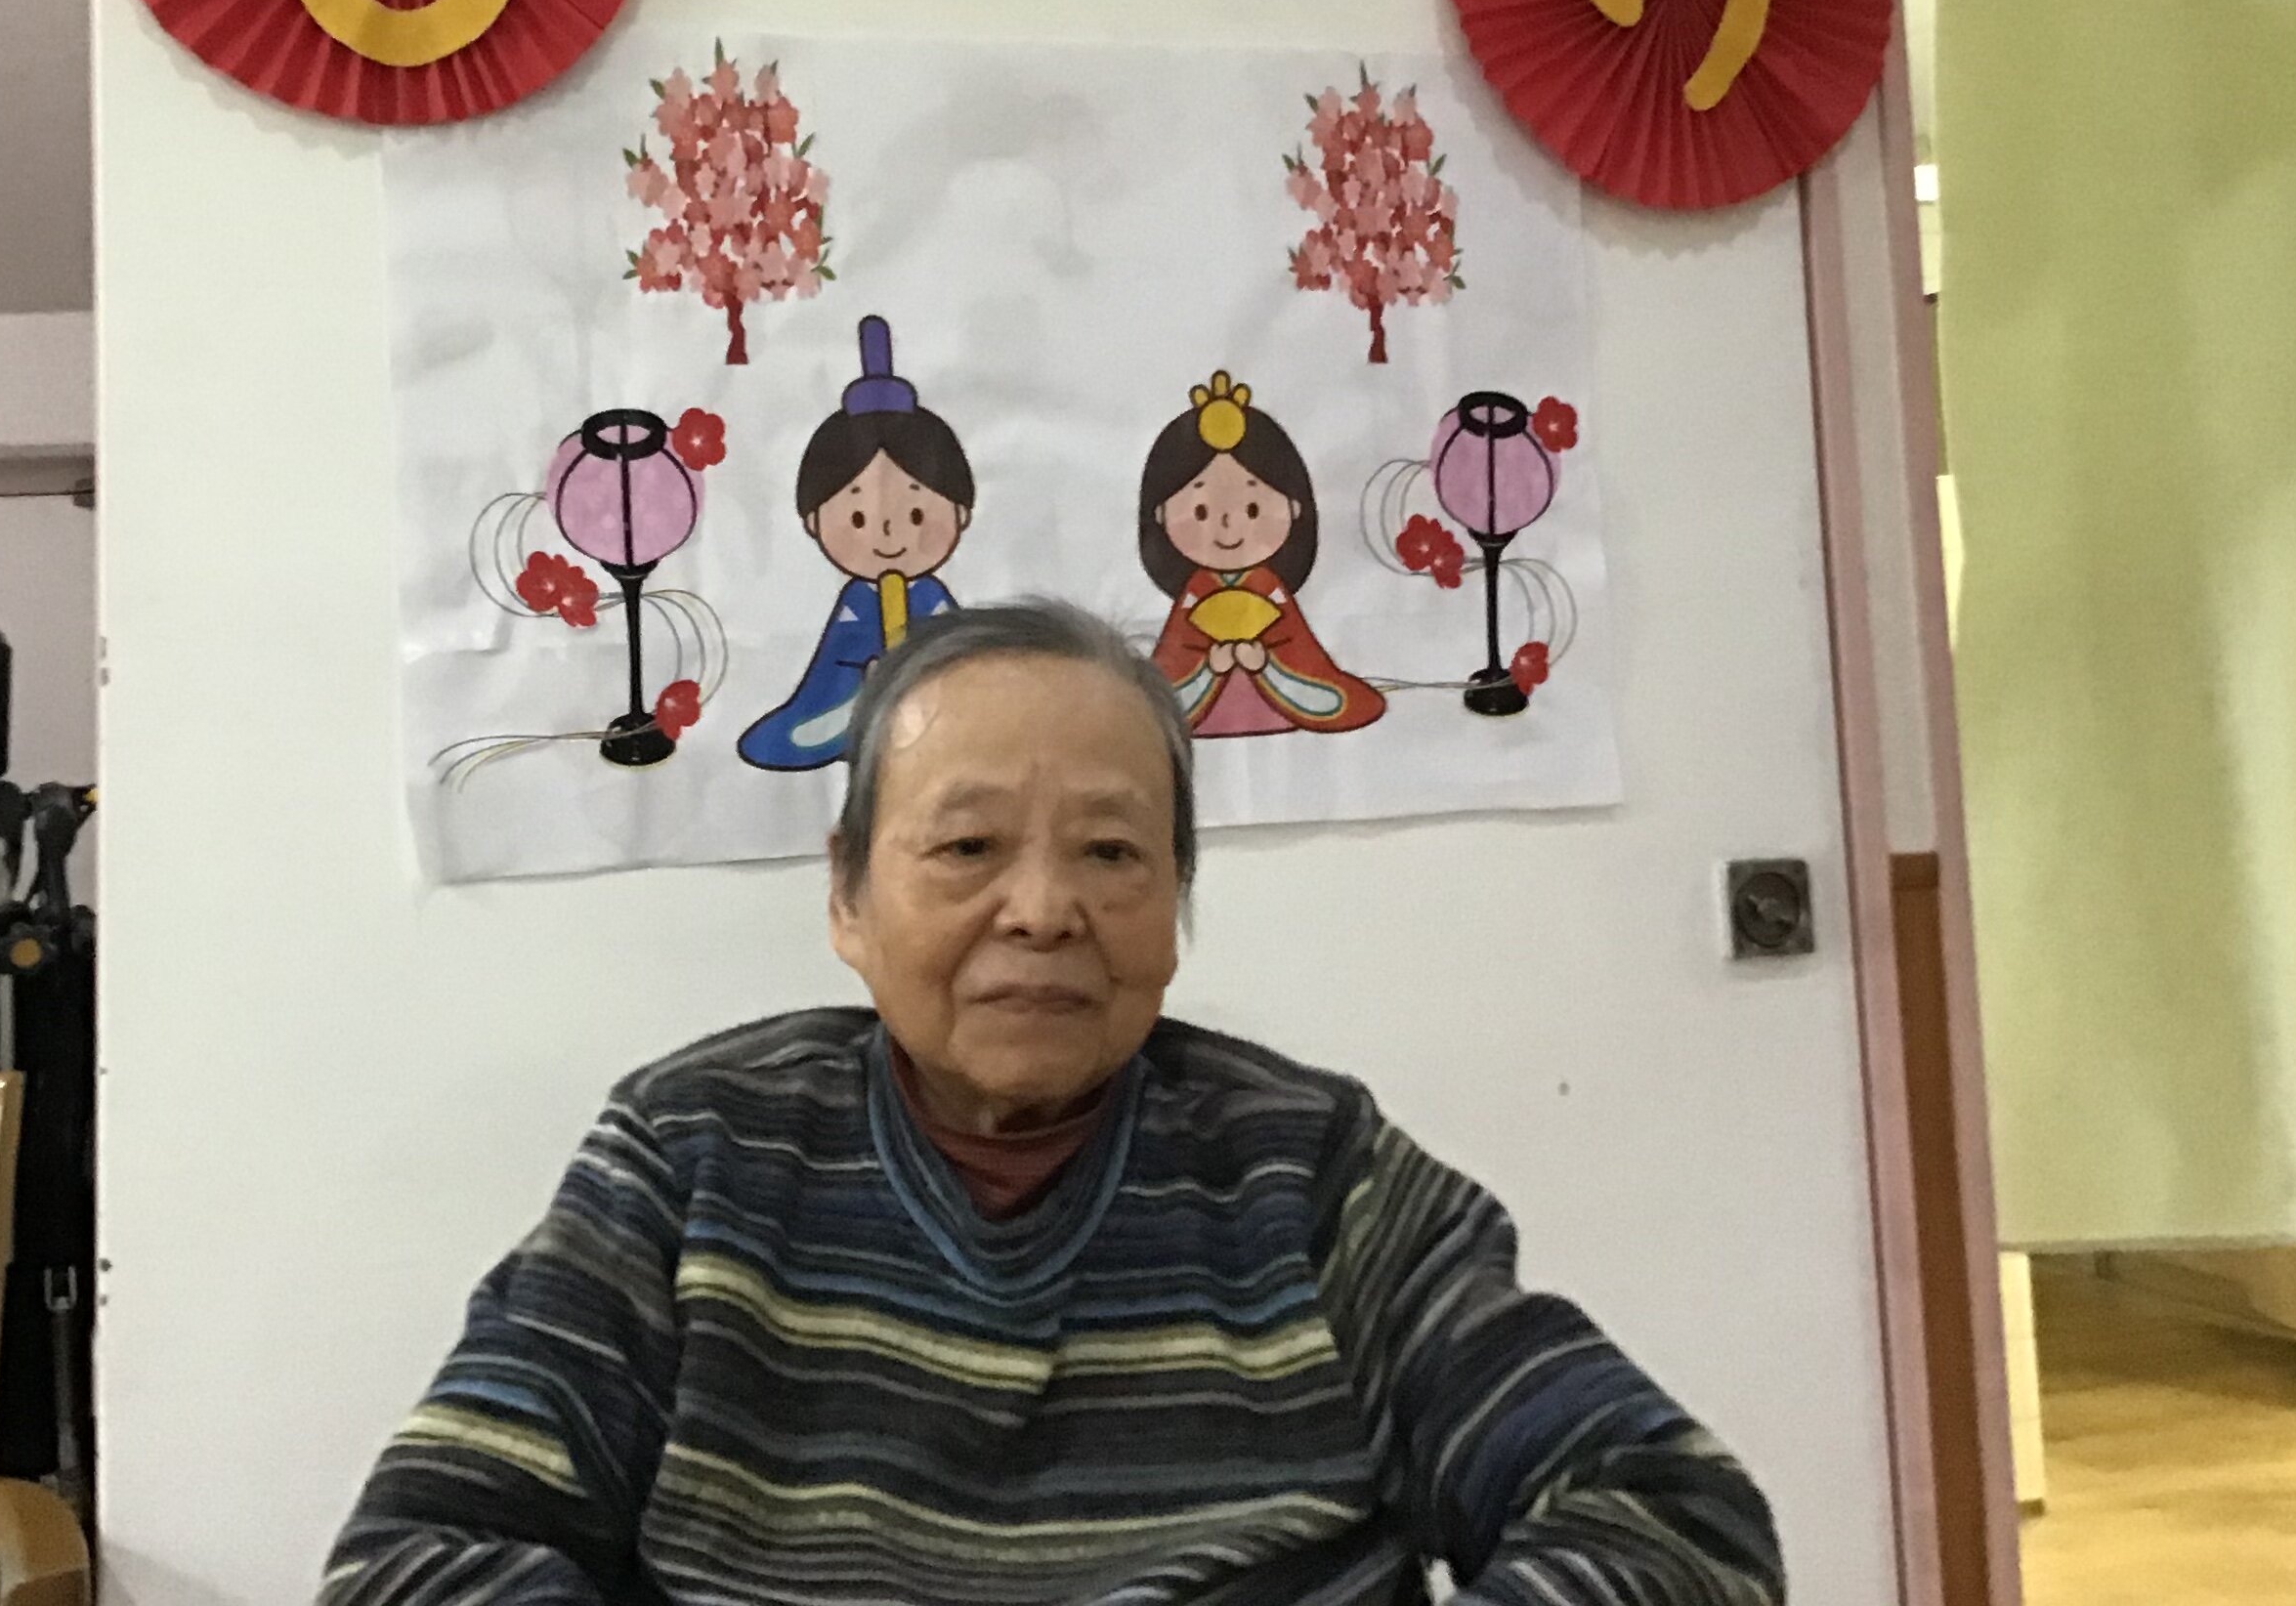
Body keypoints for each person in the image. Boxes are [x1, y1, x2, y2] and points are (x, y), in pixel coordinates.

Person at [326, 600, 1782, 1605]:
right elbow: (423, 1555)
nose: (1042, 910)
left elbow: (1671, 1515)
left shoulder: (1308, 1172)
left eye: (1111, 853)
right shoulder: (691, 1156)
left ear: (1175, 903)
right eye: (967, 847)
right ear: (847, 897)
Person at [736, 316, 975, 772]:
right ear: (813, 520)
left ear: (961, 512)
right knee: (818, 724)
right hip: (857, 702)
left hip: (938, 700)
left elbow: (958, 652)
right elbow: (836, 664)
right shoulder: (856, 600)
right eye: (858, 518)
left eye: (917, 515)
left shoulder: (932, 596)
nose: (888, 535)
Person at [1141, 370, 1384, 736]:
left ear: (1295, 507)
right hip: (1205, 715)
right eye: (1201, 512)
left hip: (1277, 705)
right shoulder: (1195, 594)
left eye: (1253, 509)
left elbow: (1305, 663)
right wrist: (1210, 669)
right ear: (1160, 515)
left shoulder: (1271, 589)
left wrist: (1264, 665)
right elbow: (1172, 674)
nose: (1228, 525)